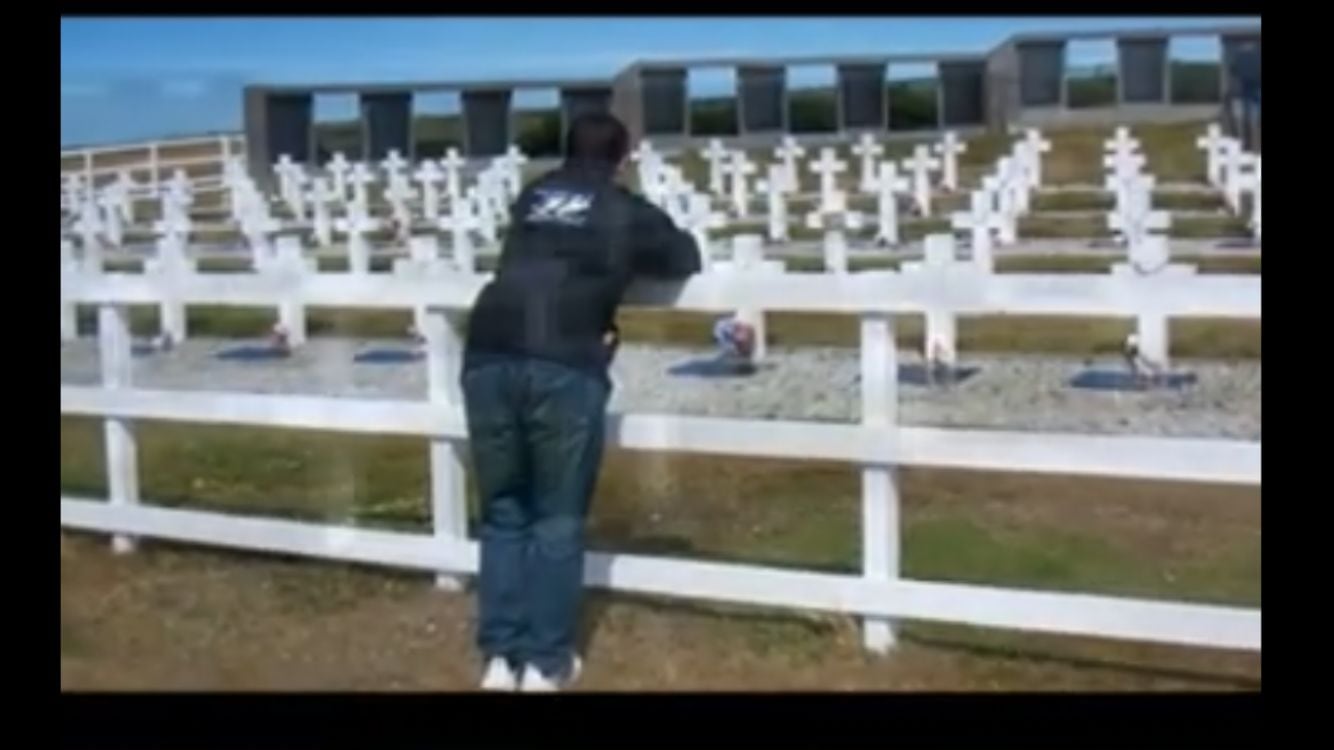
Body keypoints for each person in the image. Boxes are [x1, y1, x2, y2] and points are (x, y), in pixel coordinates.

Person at [460, 112, 702, 692]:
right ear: (623, 158)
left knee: (503, 511)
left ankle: (500, 658)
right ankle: (546, 661)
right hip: (563, 359)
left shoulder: (531, 197)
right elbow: (683, 256)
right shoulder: (623, 209)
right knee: (558, 517)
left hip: (488, 351)